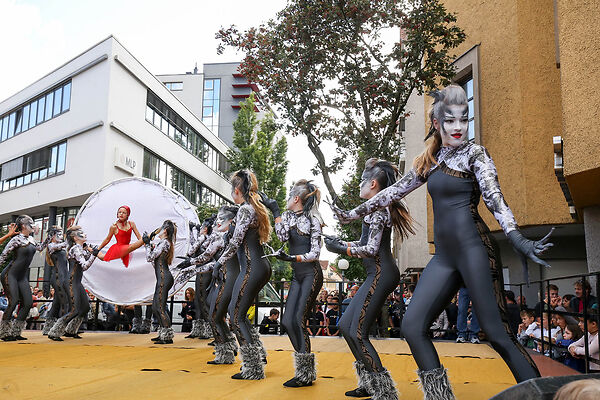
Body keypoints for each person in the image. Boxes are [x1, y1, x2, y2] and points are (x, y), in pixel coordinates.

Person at [330, 85, 554, 398]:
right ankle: (440, 396)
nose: (459, 127)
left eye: (463, 119)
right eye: (450, 120)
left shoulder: (476, 154)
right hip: (445, 257)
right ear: (438, 124)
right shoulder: (428, 162)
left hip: (475, 250)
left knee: (497, 333)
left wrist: (516, 235)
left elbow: (494, 197)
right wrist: (351, 215)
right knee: (412, 327)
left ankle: (543, 396)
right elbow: (391, 193)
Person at [326, 158, 415, 400]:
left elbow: (371, 250)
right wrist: (340, 244)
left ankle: (384, 392)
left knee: (357, 332)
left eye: (363, 181)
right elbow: (364, 244)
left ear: (373, 184)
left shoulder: (377, 212)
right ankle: (369, 382)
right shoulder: (373, 211)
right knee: (346, 326)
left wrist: (341, 250)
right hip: (374, 273)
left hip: (381, 273)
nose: (359, 185)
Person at [261, 179, 324, 387]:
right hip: (297, 276)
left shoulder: (313, 219)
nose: (286, 199)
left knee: (298, 319)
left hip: (311, 275)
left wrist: (292, 258)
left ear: (296, 199)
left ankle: (305, 374)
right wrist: (276, 211)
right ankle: (304, 367)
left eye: (289, 196)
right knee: (287, 321)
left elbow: (315, 253)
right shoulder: (288, 216)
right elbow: (281, 237)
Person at [213, 170, 272, 380]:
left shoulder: (245, 210)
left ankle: (253, 368)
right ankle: (258, 358)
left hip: (252, 267)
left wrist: (218, 262)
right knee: (239, 315)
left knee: (236, 316)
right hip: (258, 265)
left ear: (236, 190)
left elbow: (236, 241)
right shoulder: (252, 208)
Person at [48, 226, 97, 341]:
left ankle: (71, 330)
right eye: (80, 233)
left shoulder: (80, 248)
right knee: (74, 310)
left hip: (77, 282)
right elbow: (84, 266)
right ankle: (54, 332)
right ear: (74, 237)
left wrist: (91, 252)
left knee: (85, 308)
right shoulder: (75, 248)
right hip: (71, 282)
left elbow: (85, 261)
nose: (84, 234)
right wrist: (94, 255)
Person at [0, 215, 45, 341]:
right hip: (10, 274)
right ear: (24, 226)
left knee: (28, 303)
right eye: (31, 224)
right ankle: (4, 333)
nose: (34, 226)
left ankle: (15, 331)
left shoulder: (31, 239)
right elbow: (3, 256)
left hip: (21, 277)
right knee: (13, 301)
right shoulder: (16, 240)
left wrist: (50, 238)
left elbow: (40, 248)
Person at [143, 220, 177, 344]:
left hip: (164, 278)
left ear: (165, 231)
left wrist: (147, 245)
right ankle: (163, 333)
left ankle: (167, 336)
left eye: (161, 228)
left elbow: (149, 257)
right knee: (156, 307)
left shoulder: (164, 243)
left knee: (160, 307)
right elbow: (154, 261)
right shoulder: (164, 243)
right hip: (163, 277)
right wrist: (149, 244)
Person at [41, 226, 70, 335]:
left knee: (57, 304)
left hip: (61, 277)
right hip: (58, 278)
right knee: (64, 303)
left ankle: (48, 329)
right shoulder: (51, 246)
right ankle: (59, 329)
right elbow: (63, 244)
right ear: (53, 235)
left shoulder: (59, 247)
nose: (61, 235)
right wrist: (70, 236)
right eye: (59, 233)